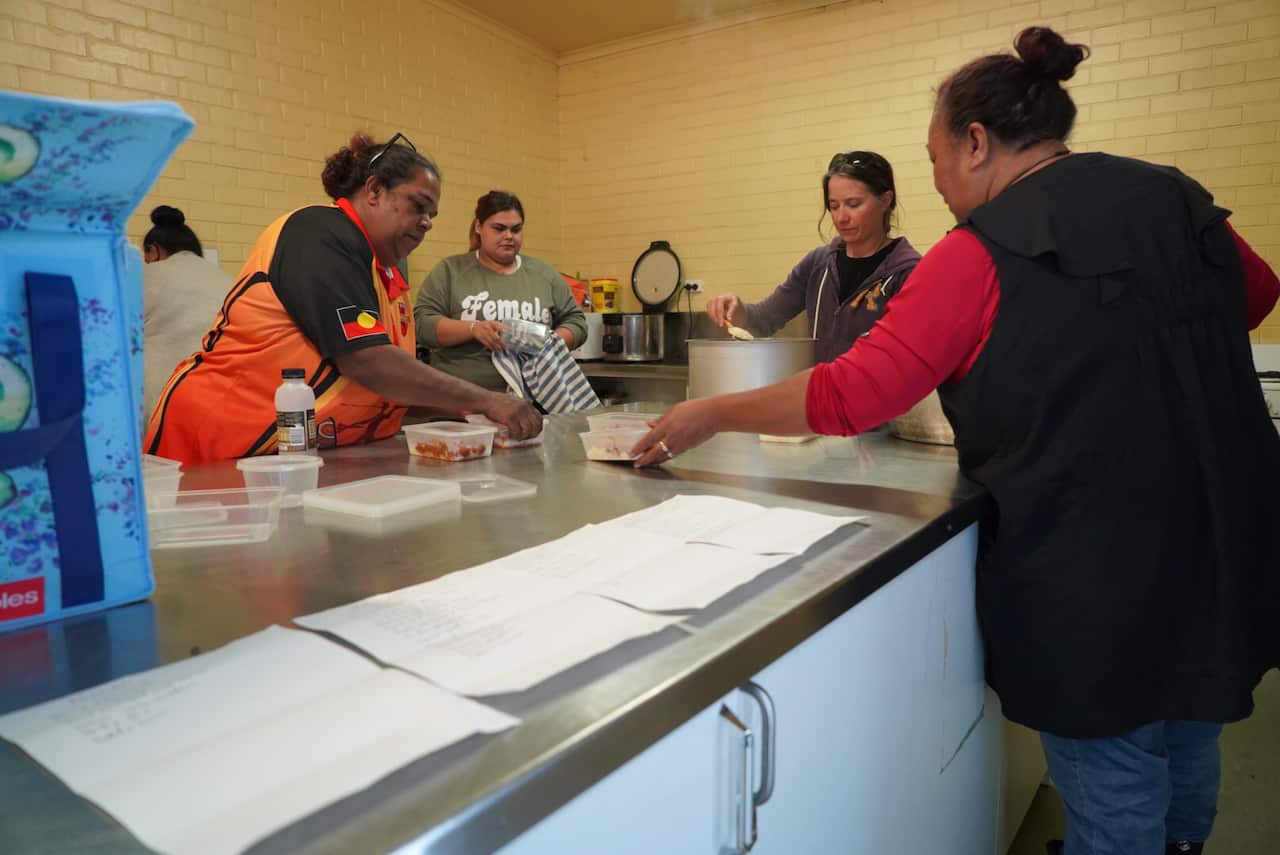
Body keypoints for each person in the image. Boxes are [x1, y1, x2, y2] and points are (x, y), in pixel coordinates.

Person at [632, 26, 1280, 855]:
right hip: (1224, 526)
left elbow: (853, 391)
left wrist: (710, 414)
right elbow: (1253, 297)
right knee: (1193, 719)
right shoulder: (1178, 199)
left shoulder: (976, 253)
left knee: (1115, 763)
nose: (936, 182)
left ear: (977, 144)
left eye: (935, 157)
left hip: (1097, 560)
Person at [145, 133, 540, 463]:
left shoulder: (386, 281)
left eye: (432, 215)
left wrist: (463, 408)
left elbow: (384, 392)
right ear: (374, 190)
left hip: (289, 459)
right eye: (419, 206)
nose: (426, 222)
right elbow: (367, 361)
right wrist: (488, 400)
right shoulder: (317, 232)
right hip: (218, 449)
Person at [704, 151, 921, 363]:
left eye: (854, 204)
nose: (841, 217)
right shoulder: (818, 264)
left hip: (877, 398)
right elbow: (765, 319)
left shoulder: (907, 273)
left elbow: (908, 359)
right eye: (833, 206)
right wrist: (738, 310)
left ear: (885, 200)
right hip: (822, 396)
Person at [414, 190, 586, 391]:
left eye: (516, 229)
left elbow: (576, 322)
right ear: (479, 227)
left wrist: (549, 346)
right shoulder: (450, 271)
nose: (508, 236)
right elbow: (421, 324)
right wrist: (472, 329)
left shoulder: (543, 274)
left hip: (535, 398)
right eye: (499, 228)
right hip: (463, 401)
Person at [140, 205, 233, 419]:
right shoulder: (227, 279)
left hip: (168, 400)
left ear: (153, 251)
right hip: (223, 398)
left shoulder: (145, 276)